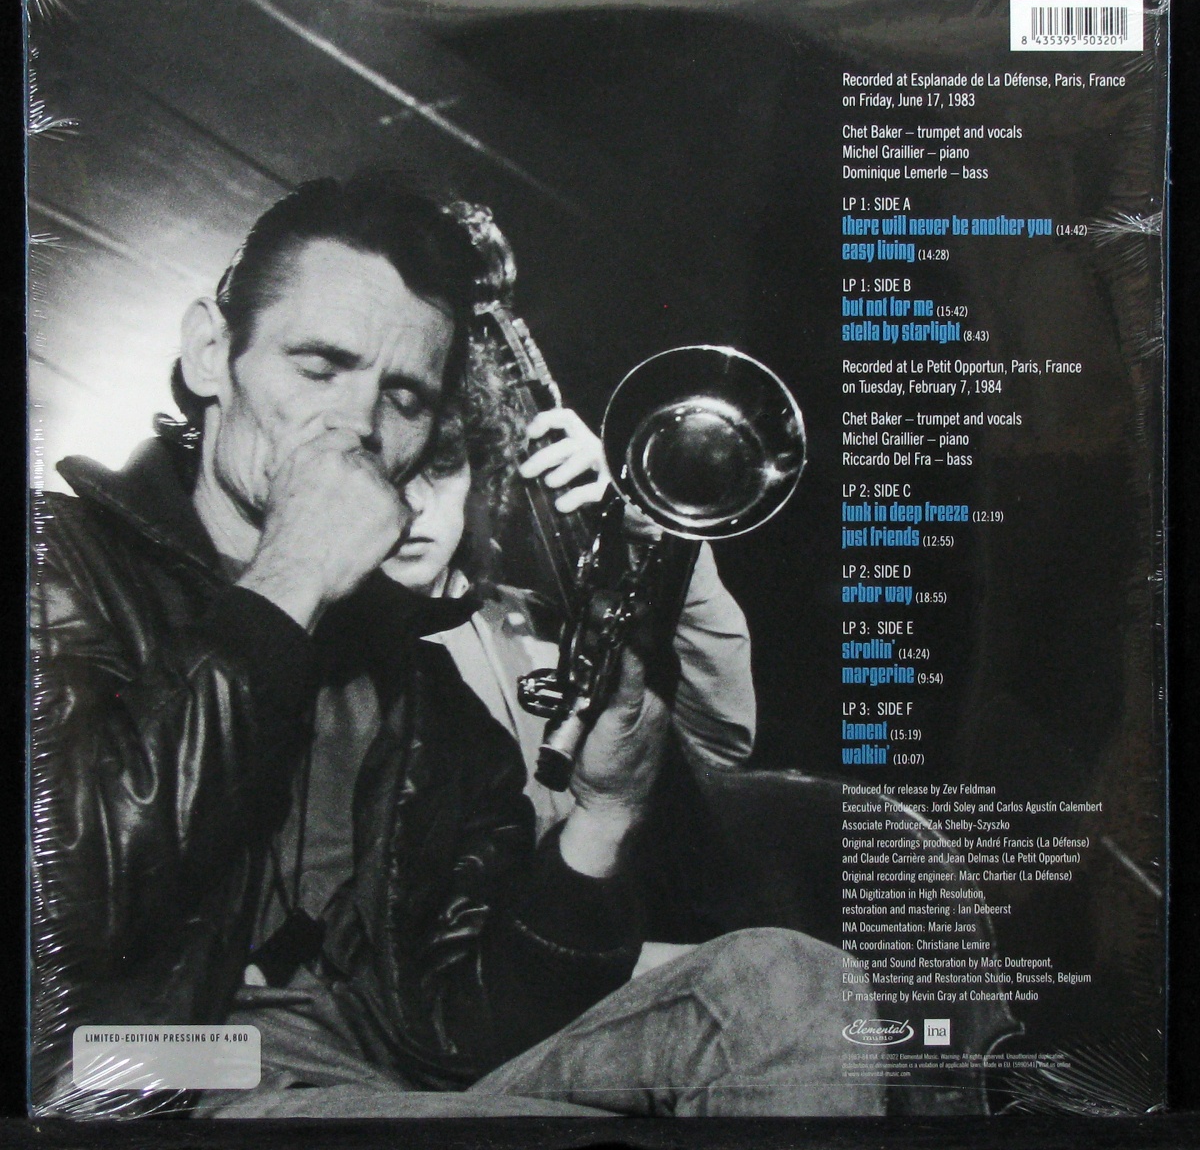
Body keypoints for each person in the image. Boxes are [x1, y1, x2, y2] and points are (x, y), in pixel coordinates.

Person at [29, 172, 881, 1119]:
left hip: (384, 1085)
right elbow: (67, 907)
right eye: (318, 367)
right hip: (152, 1071)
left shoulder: (421, 689)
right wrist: (289, 577)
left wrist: (603, 817)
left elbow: (469, 1033)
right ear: (208, 353)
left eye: (403, 398)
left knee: (794, 984)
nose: (358, 427)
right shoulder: (57, 562)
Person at [381, 399, 757, 839]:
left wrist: (663, 531)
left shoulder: (539, 623)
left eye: (442, 464)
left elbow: (717, 748)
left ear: (476, 477)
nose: (415, 503)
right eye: (386, 470)